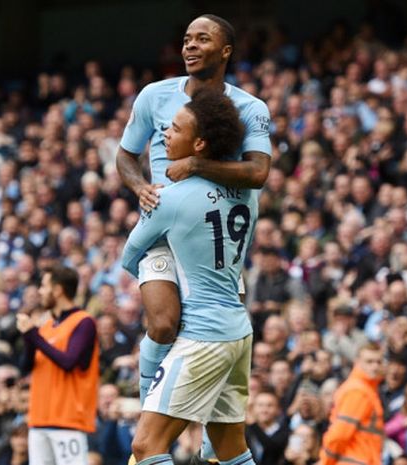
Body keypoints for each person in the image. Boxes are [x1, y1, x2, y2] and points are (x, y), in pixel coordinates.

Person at [116, 13, 271, 462]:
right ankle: (154, 400)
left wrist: (195, 168)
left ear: (225, 51)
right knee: (163, 322)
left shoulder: (250, 108)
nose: (190, 46)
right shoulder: (154, 96)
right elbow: (126, 156)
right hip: (166, 227)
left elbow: (258, 173)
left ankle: (167, 413)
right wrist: (140, 186)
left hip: (208, 228)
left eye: (202, 39)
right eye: (186, 38)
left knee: (172, 443)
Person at [17, 265, 100, 465]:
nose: (39, 291)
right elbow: (25, 367)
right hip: (38, 419)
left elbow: (68, 361)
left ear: (58, 289)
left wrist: (33, 336)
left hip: (67, 421)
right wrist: (29, 337)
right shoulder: (45, 326)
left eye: (44, 286)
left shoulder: (83, 322)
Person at [320, 343, 385, 465]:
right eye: (369, 362)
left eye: (379, 362)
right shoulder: (358, 391)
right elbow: (340, 434)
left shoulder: (366, 390)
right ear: (357, 362)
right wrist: (325, 461)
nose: (375, 366)